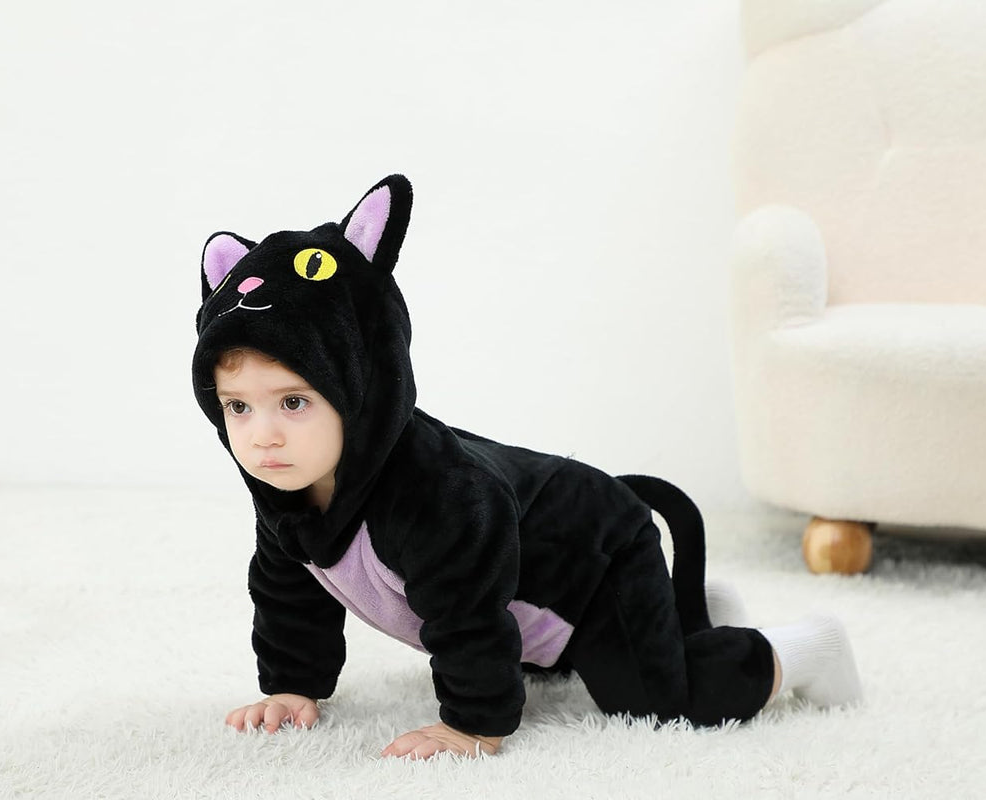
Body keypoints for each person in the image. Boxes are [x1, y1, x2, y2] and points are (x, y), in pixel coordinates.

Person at [190, 175, 861, 760]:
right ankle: (693, 608)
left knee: (660, 699)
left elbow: (467, 616)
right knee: (564, 654)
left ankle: (807, 646)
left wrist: (472, 723)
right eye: (238, 407)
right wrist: (292, 684)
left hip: (594, 556)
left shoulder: (433, 494)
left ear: (362, 386)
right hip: (523, 575)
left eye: (294, 402)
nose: (262, 436)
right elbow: (289, 588)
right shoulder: (290, 490)